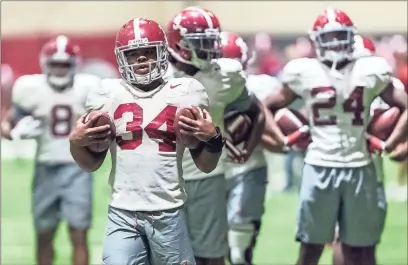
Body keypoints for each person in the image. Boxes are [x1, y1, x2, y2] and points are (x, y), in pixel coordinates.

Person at [69, 18, 224, 265]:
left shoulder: (185, 91)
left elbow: (206, 165)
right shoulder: (107, 94)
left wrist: (213, 138)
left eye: (148, 52)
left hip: (168, 210)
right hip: (122, 211)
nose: (141, 59)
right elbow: (89, 165)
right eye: (133, 54)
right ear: (122, 58)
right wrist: (76, 142)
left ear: (161, 53)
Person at [262, 8, 408, 265]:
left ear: (352, 38)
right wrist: (284, 140)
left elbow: (404, 105)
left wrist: (390, 142)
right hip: (319, 165)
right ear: (317, 40)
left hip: (359, 167)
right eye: (328, 37)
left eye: (340, 36)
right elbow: (266, 105)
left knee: (359, 249)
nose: (334, 43)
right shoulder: (303, 71)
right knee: (310, 250)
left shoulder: (369, 69)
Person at [165, 7, 265, 265]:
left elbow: (256, 111)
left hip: (207, 177)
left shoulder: (227, 75)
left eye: (212, 41)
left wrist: (247, 148)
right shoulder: (158, 76)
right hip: (161, 178)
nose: (210, 48)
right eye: (202, 43)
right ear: (179, 44)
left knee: (210, 256)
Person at [1, 35, 100, 265]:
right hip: (45, 166)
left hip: (78, 167)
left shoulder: (87, 88)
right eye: (55, 64)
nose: (59, 70)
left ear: (74, 65)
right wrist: (12, 131)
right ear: (45, 64)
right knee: (44, 234)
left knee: (79, 233)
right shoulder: (31, 89)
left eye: (64, 65)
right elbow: (9, 124)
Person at [220, 31, 278, 265]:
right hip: (209, 174)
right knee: (208, 247)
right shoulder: (199, 87)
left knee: (239, 250)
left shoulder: (259, 86)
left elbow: (276, 130)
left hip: (248, 169)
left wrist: (275, 140)